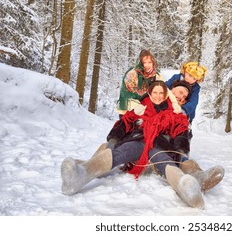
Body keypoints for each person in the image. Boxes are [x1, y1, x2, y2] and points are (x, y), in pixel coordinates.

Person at [61, 81, 223, 209]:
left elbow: (181, 131)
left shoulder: (176, 114)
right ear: (153, 93)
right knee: (117, 151)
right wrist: (113, 140)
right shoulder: (140, 108)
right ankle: (81, 174)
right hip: (136, 141)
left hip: (159, 147)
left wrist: (180, 151)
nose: (159, 96)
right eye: (155, 93)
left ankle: (188, 188)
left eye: (161, 93)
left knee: (165, 161)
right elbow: (124, 123)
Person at [117, 49, 180, 117]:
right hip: (129, 108)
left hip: (144, 108)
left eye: (149, 62)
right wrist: (135, 105)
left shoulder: (155, 75)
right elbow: (125, 95)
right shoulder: (132, 75)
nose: (147, 65)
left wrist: (174, 102)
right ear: (141, 63)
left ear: (153, 62)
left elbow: (164, 89)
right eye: (144, 62)